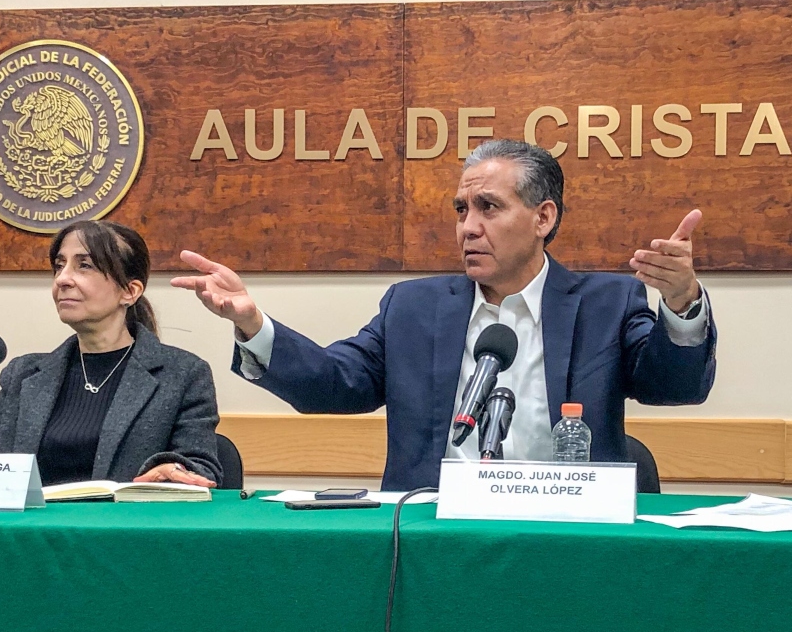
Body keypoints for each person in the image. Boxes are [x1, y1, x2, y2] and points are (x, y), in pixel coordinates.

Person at [174, 139, 717, 490]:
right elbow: (337, 385)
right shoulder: (414, 308)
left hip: (568, 533)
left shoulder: (606, 302)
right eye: (461, 210)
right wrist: (251, 324)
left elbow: (675, 387)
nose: (467, 227)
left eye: (489, 208)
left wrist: (681, 303)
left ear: (543, 217)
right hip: (430, 535)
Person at [0, 221, 222, 487]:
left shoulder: (183, 374)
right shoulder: (24, 374)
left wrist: (172, 470)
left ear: (130, 291)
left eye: (84, 266)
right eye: (59, 266)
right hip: (31, 529)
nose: (62, 279)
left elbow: (202, 468)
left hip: (124, 527)